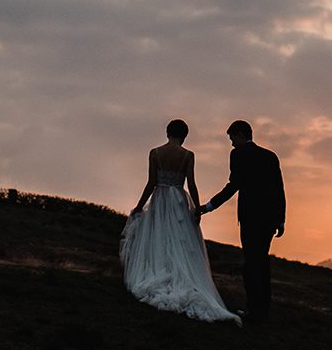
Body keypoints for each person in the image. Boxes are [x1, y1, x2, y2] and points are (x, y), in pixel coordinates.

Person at [119, 119, 241, 325]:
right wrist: (197, 208)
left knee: (159, 236)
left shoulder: (155, 153)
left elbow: (151, 183)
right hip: (178, 201)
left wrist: (139, 206)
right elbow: (191, 183)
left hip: (160, 200)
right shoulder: (188, 155)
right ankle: (180, 274)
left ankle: (159, 269)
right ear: (184, 135)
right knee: (179, 241)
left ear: (168, 133)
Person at [200, 120, 286, 324]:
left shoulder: (238, 155)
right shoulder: (270, 156)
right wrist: (281, 219)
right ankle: (262, 310)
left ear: (240, 134)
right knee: (262, 263)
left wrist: (209, 206)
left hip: (251, 218)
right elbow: (279, 189)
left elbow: (233, 185)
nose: (231, 143)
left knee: (251, 264)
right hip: (269, 219)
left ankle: (254, 311)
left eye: (232, 138)